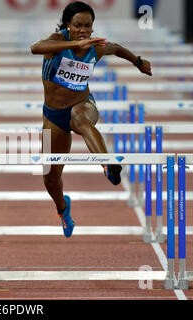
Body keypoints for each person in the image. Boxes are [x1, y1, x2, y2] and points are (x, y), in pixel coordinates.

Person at [30, 1, 152, 238]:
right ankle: (62, 209)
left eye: (88, 26)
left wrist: (138, 62)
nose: (84, 30)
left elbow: (116, 49)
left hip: (84, 104)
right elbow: (35, 47)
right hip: (53, 116)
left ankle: (108, 164)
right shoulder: (56, 41)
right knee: (50, 177)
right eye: (78, 26)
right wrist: (77, 42)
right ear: (68, 25)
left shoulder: (96, 48)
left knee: (80, 119)